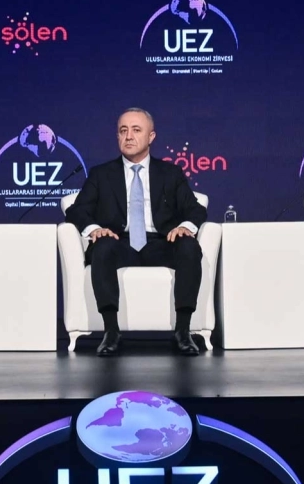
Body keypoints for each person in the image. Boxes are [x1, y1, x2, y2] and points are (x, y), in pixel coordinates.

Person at [64, 108, 207, 357]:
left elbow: (195, 208)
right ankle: (111, 331)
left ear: (151, 137)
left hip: (161, 242)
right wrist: (96, 229)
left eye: (136, 130)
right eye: (123, 131)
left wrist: (185, 227)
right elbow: (76, 210)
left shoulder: (170, 173)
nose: (128, 136)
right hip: (119, 242)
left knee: (188, 246)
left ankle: (183, 331)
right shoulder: (101, 174)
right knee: (103, 247)